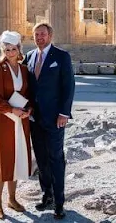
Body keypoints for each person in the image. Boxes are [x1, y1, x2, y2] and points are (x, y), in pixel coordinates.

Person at [25, 23, 75, 220]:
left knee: (56, 159)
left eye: (43, 34)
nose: (40, 38)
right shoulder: (28, 57)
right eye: (37, 35)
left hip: (55, 118)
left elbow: (69, 86)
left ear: (50, 36)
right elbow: (25, 85)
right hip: (35, 118)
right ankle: (47, 195)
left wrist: (64, 113)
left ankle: (59, 203)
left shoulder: (61, 56)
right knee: (41, 159)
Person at [0, 31, 31, 220]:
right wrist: (12, 110)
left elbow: (28, 93)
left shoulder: (23, 69)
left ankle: (12, 199)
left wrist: (29, 109)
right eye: (7, 49)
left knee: (16, 159)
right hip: (4, 119)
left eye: (14, 49)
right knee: (2, 160)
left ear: (18, 49)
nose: (11, 52)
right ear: (3, 50)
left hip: (20, 119)